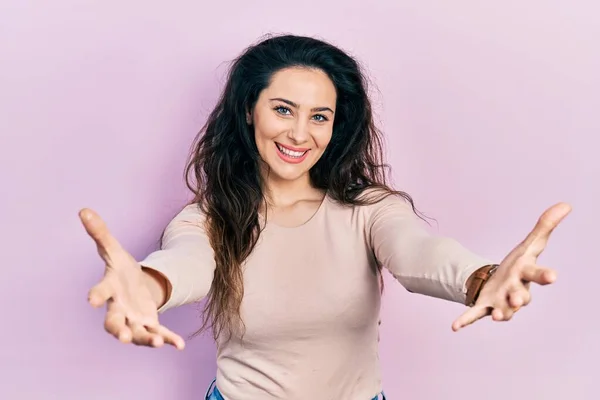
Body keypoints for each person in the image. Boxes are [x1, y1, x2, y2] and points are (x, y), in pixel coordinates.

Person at [79, 34, 571, 400]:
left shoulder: (370, 210)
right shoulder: (208, 219)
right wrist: (145, 287)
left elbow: (418, 252)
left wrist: (481, 278)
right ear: (249, 111)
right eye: (283, 109)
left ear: (336, 126)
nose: (299, 133)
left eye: (319, 116)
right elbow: (184, 263)